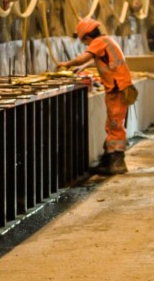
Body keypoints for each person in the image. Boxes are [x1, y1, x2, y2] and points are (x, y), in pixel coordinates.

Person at [58, 17, 136, 175]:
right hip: (120, 87)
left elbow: (85, 56)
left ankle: (117, 162)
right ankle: (110, 159)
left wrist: (67, 64)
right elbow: (98, 59)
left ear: (87, 36)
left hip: (117, 88)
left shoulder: (98, 42)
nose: (85, 44)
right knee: (112, 123)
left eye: (84, 41)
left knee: (115, 125)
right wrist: (81, 68)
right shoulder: (106, 41)